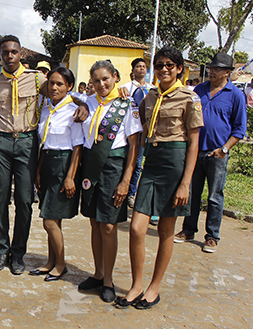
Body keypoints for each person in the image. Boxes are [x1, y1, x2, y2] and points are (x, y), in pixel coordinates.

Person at [117, 47, 204, 310]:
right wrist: (123, 97)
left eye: (170, 65)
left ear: (179, 68)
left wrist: (186, 182)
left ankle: (154, 287)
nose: (164, 69)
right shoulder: (150, 95)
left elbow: (194, 143)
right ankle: (136, 285)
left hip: (174, 162)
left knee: (166, 229)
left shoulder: (189, 98)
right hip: (151, 162)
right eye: (159, 65)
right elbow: (136, 118)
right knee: (136, 228)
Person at [77, 61, 141, 302]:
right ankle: (97, 273)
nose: (101, 84)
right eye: (96, 80)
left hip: (114, 167)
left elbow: (134, 145)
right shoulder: (89, 102)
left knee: (108, 225)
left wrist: (126, 181)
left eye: (106, 79)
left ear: (115, 77)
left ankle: (108, 280)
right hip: (91, 166)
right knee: (94, 222)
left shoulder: (126, 104)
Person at [0, 35, 46, 274]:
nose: (9, 56)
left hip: (26, 142)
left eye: (14, 52)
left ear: (21, 54)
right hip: (0, 143)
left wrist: (82, 104)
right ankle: (1, 251)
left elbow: (59, 94)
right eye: (5, 52)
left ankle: (18, 253)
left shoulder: (37, 79)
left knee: (24, 200)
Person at [174, 53, 247, 253]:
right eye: (211, 68)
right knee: (192, 193)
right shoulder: (199, 90)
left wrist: (224, 149)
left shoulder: (236, 95)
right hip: (195, 151)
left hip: (218, 154)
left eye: (216, 69)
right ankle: (188, 230)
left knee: (215, 196)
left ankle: (212, 236)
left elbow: (239, 129)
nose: (211, 71)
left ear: (227, 73)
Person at [29, 66, 84, 281]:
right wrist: (39, 171)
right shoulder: (46, 109)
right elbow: (44, 143)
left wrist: (70, 176)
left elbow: (77, 147)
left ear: (69, 86)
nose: (54, 87)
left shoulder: (75, 111)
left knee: (49, 221)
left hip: (64, 164)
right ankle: (50, 261)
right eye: (51, 83)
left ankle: (61, 264)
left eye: (60, 83)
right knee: (52, 220)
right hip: (48, 163)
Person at [120, 58, 154, 208]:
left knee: (139, 163)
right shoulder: (125, 88)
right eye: (138, 66)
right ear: (132, 71)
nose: (141, 69)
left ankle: (132, 192)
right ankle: (124, 189)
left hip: (145, 131)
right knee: (127, 160)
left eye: (144, 66)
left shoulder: (152, 89)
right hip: (128, 131)